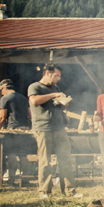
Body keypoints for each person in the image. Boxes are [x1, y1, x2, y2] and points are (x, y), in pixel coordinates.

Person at [28, 64, 82, 199]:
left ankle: (69, 190)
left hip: (59, 128)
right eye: (56, 75)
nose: (58, 78)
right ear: (47, 73)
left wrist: (64, 102)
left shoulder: (55, 87)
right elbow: (34, 100)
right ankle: (44, 192)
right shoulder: (35, 87)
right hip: (43, 128)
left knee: (65, 159)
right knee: (45, 161)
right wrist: (53, 95)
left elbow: (56, 104)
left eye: (59, 76)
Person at [0, 79, 32, 183]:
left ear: (5, 88)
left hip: (13, 130)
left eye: (1, 90)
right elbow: (30, 115)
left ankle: (11, 180)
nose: (1, 92)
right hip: (25, 130)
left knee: (11, 154)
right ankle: (25, 180)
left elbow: (2, 117)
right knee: (23, 155)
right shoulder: (24, 98)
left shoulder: (5, 98)